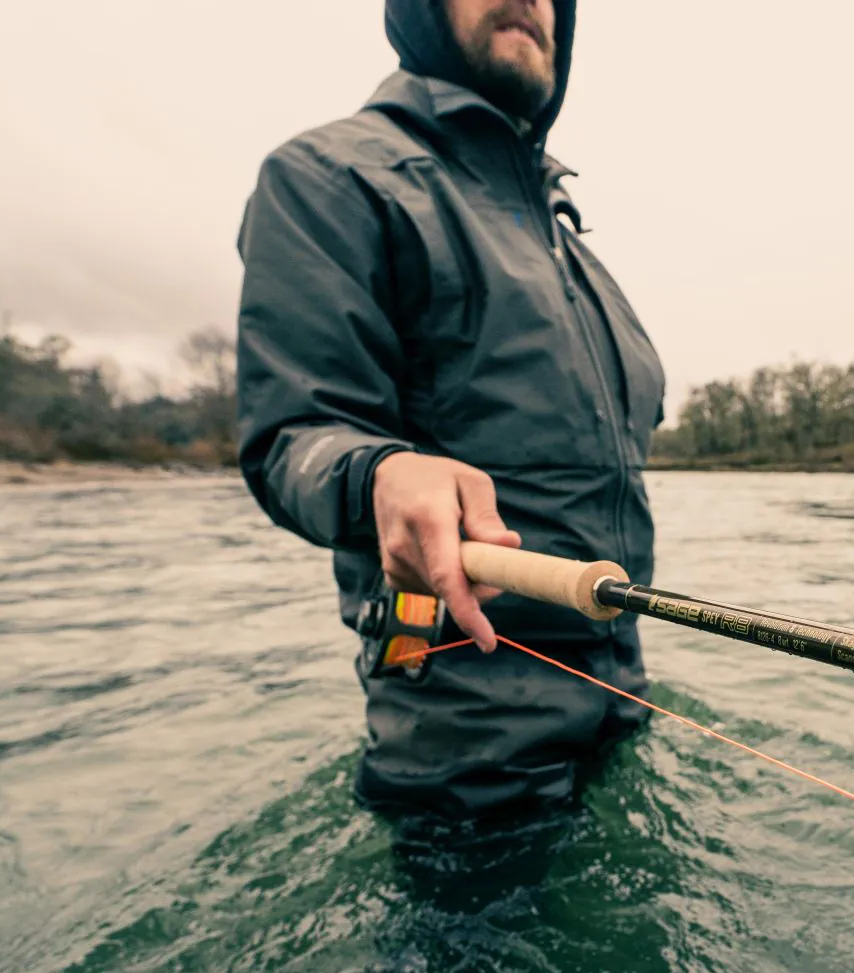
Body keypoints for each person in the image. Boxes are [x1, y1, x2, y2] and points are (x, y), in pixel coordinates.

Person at [235, 0, 663, 814]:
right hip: (463, 747)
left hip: (624, 700)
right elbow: (291, 435)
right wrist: (382, 472)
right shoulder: (327, 177)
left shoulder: (575, 251)